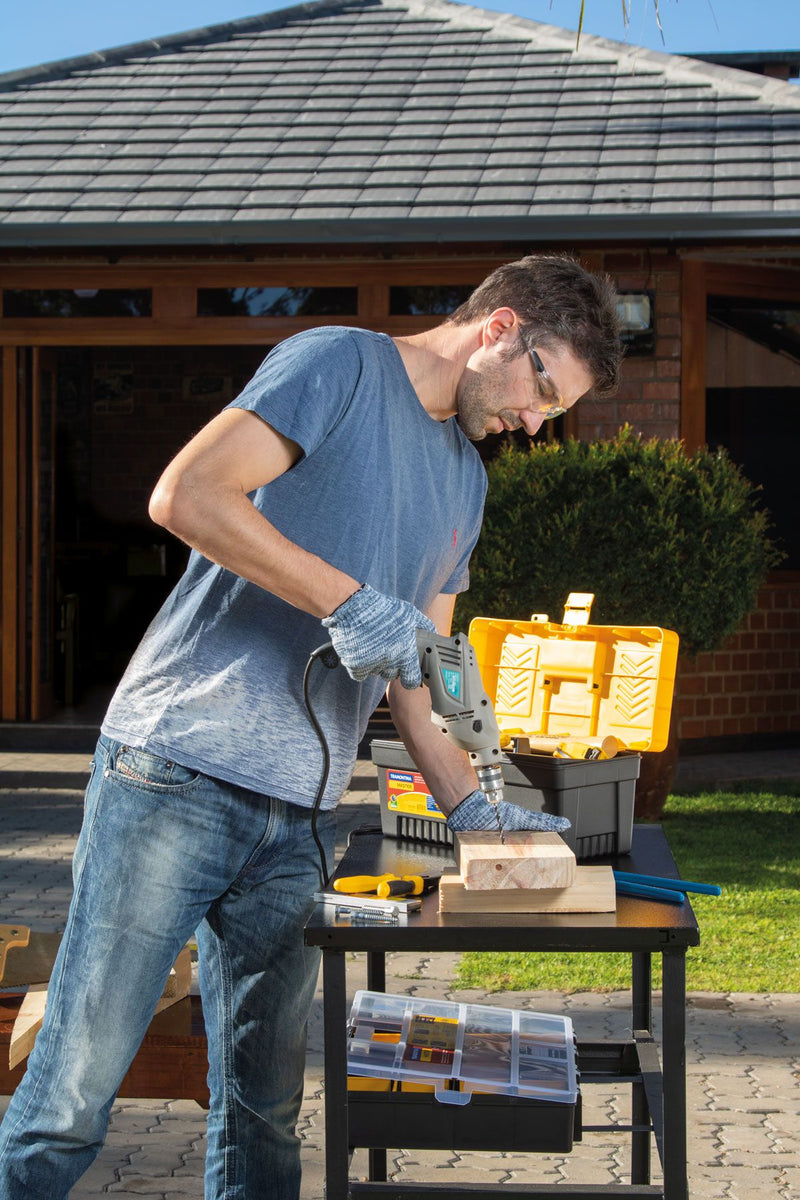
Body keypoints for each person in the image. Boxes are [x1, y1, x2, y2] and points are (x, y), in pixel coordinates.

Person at [0, 254, 620, 1200]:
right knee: (73, 1092)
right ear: (500, 328)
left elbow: (426, 670)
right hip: (177, 772)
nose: (534, 425)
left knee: (261, 1110)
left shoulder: (465, 483)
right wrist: (347, 601)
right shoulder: (338, 364)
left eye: (552, 415)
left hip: (304, 818)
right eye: (542, 392)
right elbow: (188, 495)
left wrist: (480, 806)